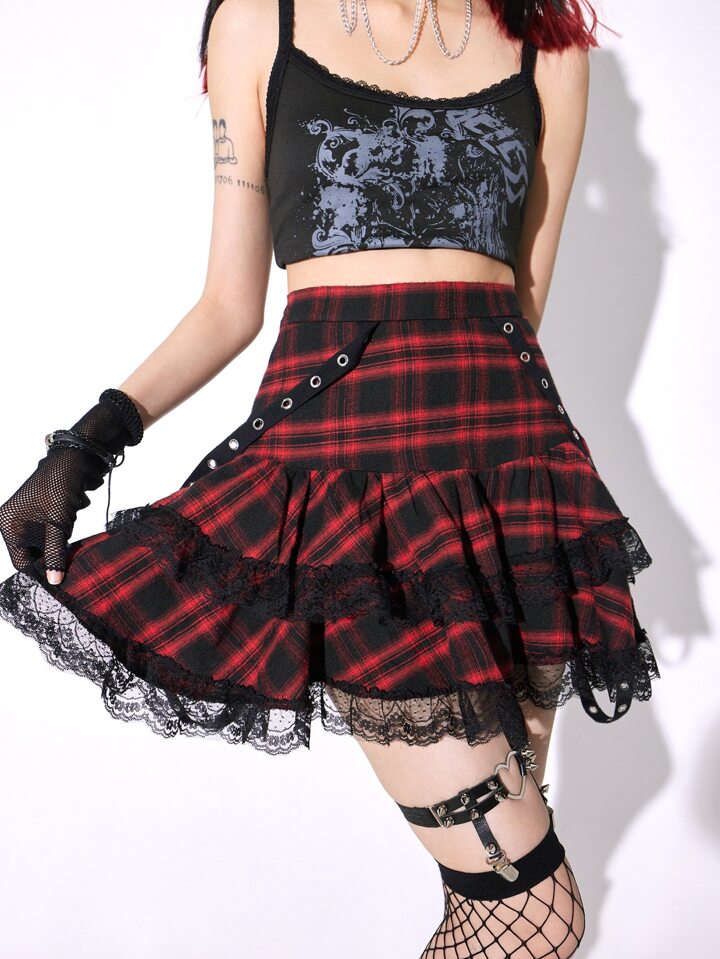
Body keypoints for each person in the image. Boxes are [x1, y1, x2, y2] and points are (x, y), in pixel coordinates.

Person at [0, 1, 661, 955]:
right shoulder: (259, 23)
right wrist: (88, 442)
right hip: (352, 499)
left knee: (495, 914)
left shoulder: (548, 46)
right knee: (532, 915)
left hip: (512, 484)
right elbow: (230, 303)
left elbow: (521, 304)